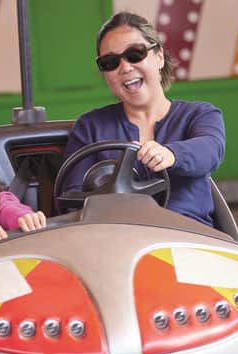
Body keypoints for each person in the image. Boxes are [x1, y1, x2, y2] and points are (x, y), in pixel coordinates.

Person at [63, 12, 225, 227]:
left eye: (135, 54)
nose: (125, 67)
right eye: (110, 62)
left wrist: (171, 154)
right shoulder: (90, 126)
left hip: (188, 236)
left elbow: (210, 150)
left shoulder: (200, 114)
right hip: (116, 237)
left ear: (159, 56)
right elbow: (71, 197)